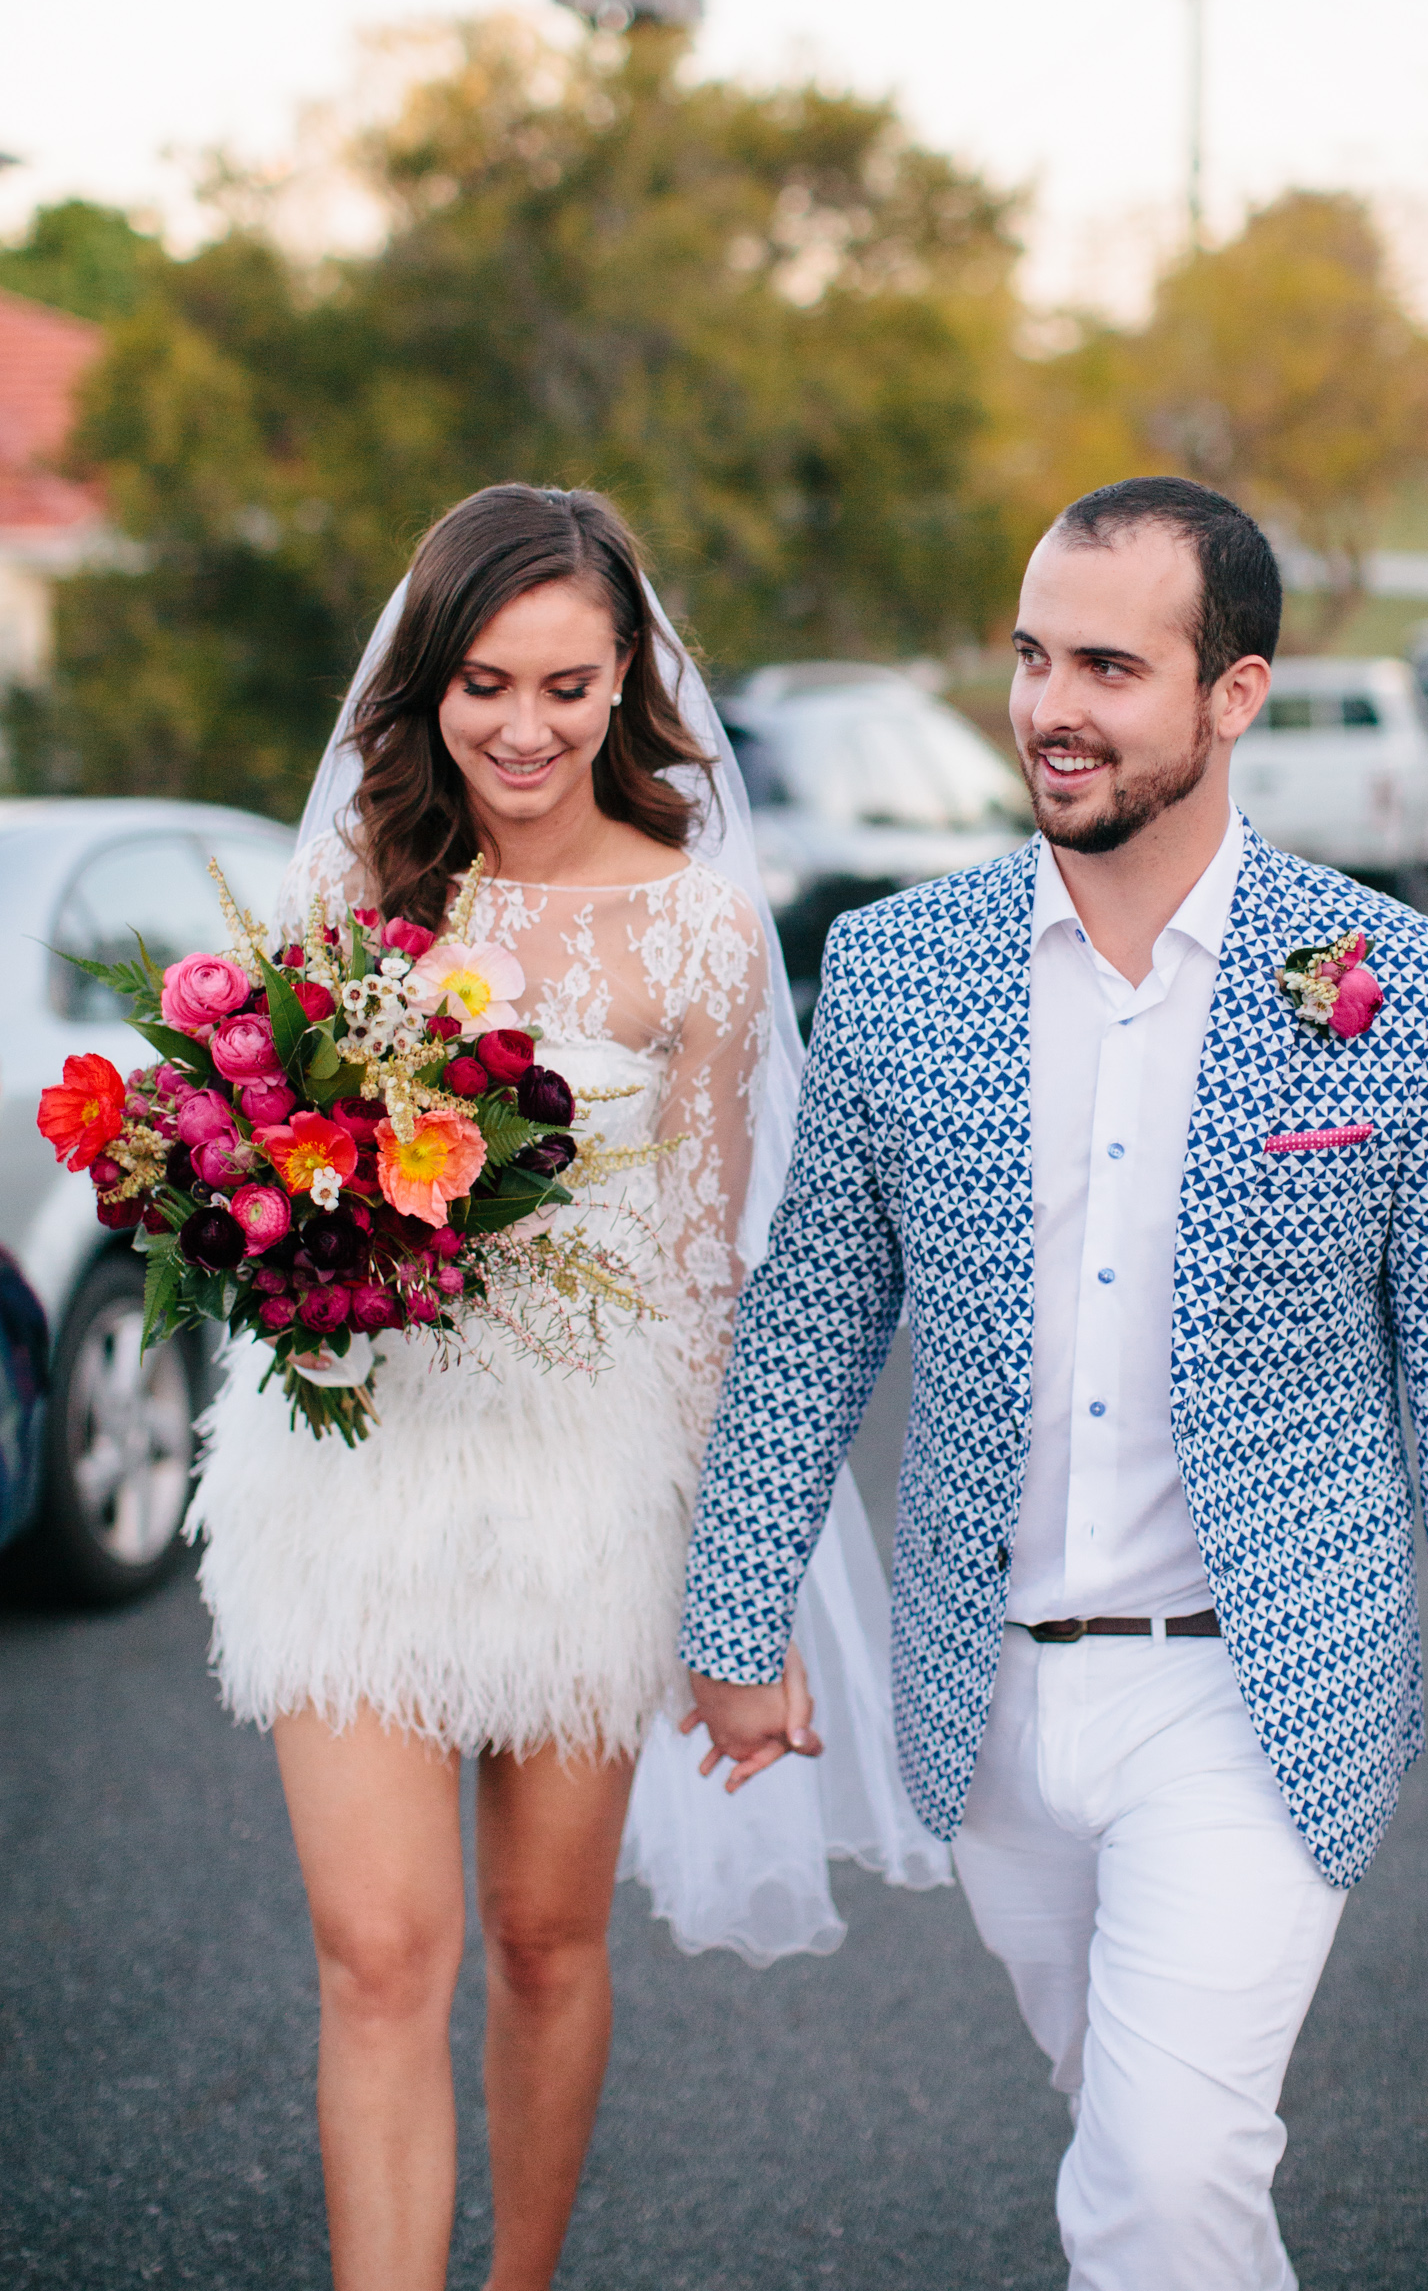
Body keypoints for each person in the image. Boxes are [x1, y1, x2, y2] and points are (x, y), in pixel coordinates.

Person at [680, 476, 1428, 2288]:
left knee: (1154, 2187)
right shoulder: (899, 964)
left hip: (1251, 1703)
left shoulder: (1394, 986)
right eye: (1029, 657)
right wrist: (734, 1610)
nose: (1049, 706)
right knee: (1164, 2171)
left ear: (1230, 693)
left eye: (1106, 663)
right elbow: (815, 1320)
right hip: (991, 1709)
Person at [186, 482, 946, 2291]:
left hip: (587, 1488)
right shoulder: (353, 894)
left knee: (540, 1942)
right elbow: (253, 1168)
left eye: (566, 685)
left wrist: (731, 1601)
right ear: (426, 682)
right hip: (359, 1470)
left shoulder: (694, 931)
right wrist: (274, 1224)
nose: (522, 728)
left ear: (629, 686)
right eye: (482, 683)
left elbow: (707, 1283)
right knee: (379, 1953)